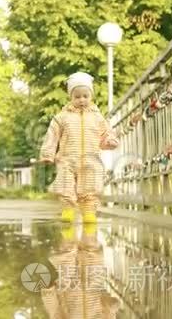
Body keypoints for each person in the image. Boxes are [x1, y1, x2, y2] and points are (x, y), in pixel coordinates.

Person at [39, 72, 119, 223]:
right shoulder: (62, 117)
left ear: (91, 96)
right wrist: (47, 153)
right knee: (66, 187)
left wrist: (109, 141)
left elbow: (104, 134)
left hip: (91, 161)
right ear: (71, 97)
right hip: (67, 160)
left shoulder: (97, 117)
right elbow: (52, 136)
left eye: (85, 96)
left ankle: (89, 212)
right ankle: (68, 210)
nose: (81, 100)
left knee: (90, 188)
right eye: (77, 96)